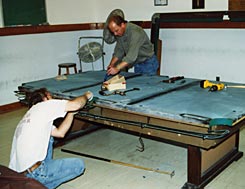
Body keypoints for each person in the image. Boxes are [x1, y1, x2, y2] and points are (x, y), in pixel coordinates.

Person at [9, 88, 93, 189]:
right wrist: (86, 95)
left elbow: (60, 133)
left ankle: (35, 185)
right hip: (36, 172)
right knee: (78, 165)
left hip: (20, 174)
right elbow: (76, 104)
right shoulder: (45, 106)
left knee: (49, 138)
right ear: (46, 97)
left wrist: (71, 113)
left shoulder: (31, 116)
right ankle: (40, 185)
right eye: (51, 97)